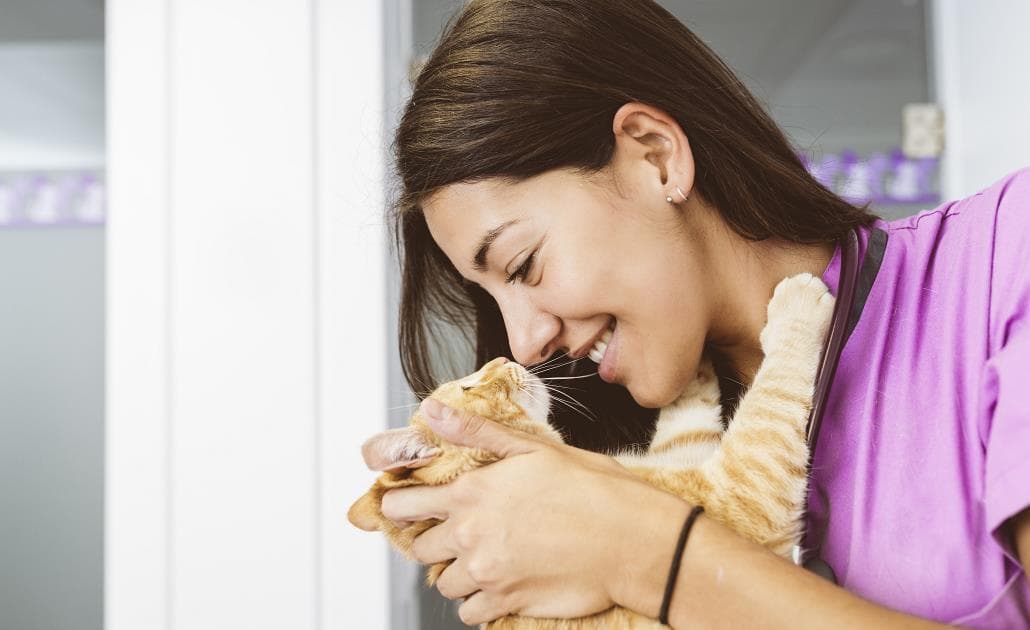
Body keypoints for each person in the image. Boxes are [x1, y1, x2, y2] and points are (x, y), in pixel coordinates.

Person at [365, 0, 1030, 626]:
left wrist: (649, 553)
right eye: (492, 299)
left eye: (522, 265)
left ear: (655, 155)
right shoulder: (606, 462)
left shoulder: (1006, 261)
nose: (524, 343)